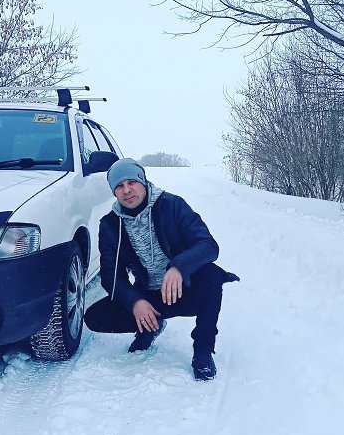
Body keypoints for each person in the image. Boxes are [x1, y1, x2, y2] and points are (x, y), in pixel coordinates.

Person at [84, 158, 239, 381]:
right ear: (114, 192)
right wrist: (134, 302)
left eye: (132, 182)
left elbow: (208, 245)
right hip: (149, 296)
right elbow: (110, 275)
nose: (127, 190)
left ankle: (203, 352)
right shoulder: (110, 225)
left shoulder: (172, 205)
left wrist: (179, 267)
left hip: (183, 288)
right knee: (95, 317)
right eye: (119, 186)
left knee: (212, 276)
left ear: (143, 182)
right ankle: (150, 326)